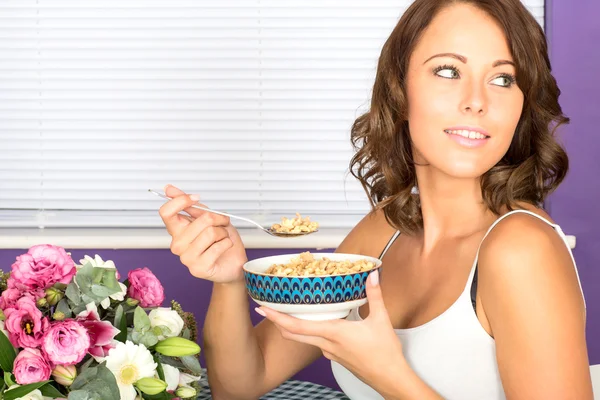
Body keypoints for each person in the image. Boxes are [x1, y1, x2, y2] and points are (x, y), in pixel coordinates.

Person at [158, 0, 593, 398]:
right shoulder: (387, 229)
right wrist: (230, 280)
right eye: (447, 71)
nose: (476, 102)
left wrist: (388, 374)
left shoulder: (521, 249)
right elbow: (242, 384)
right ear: (400, 91)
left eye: (503, 78)